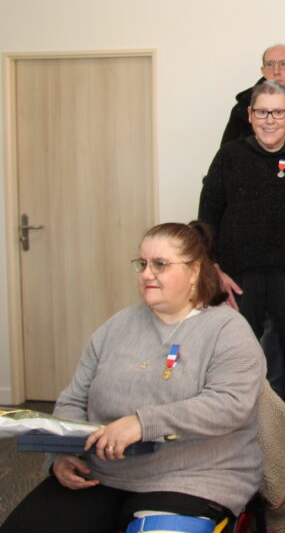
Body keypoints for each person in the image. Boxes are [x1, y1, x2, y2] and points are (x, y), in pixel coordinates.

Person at [0, 222, 265, 533]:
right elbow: (74, 399)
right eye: (142, 264)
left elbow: (229, 405)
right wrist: (62, 454)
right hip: (102, 472)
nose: (146, 274)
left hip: (193, 476)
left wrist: (142, 423)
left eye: (160, 265)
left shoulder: (227, 329)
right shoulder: (117, 326)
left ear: (194, 271)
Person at [199, 80, 285, 442]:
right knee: (234, 363)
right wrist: (213, 271)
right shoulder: (229, 157)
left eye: (278, 112)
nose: (270, 119)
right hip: (237, 281)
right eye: (262, 111)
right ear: (250, 115)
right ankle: (233, 438)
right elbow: (207, 217)